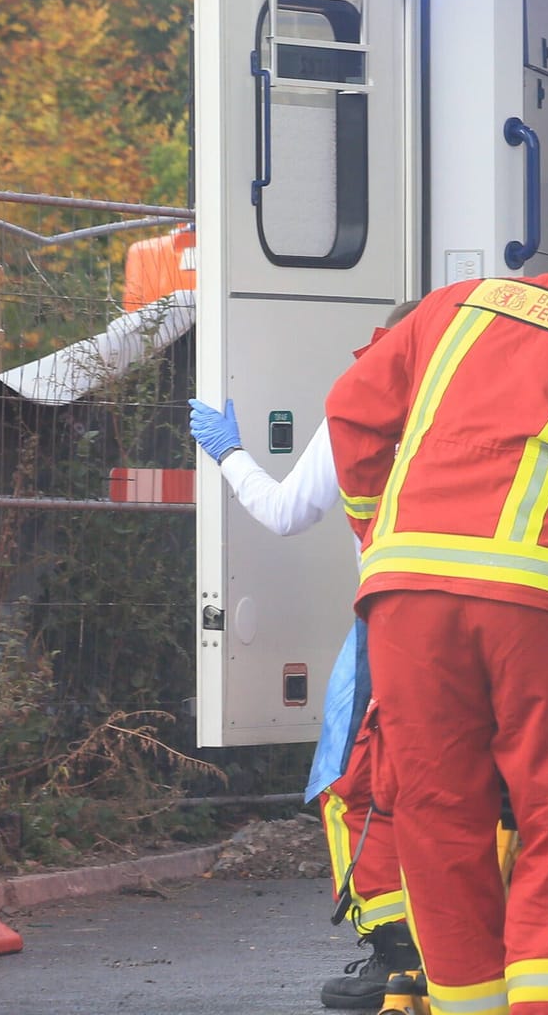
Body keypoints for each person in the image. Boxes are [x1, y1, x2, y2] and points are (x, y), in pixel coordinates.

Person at [326, 204, 548, 1015]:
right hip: (544, 612)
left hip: (408, 601)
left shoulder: (453, 307)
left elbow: (351, 414)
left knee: (436, 818)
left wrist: (377, 524)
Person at [188, 298, 422, 1010]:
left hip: (396, 626)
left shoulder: (363, 405)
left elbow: (287, 512)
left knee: (355, 787)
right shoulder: (500, 403)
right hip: (514, 622)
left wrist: (229, 453)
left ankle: (395, 952)